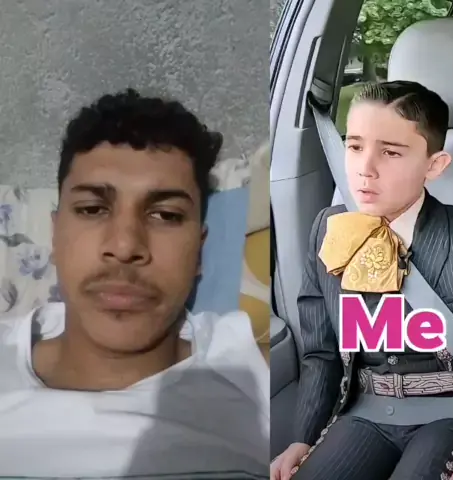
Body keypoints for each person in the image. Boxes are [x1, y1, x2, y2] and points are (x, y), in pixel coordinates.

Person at [270, 81, 453, 480]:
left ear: (434, 166)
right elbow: (321, 353)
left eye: (391, 152)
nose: (365, 168)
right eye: (354, 146)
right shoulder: (329, 230)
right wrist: (302, 437)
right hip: (365, 409)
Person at [0, 89, 269, 479]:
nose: (125, 246)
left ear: (199, 251)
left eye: (165, 215)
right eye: (93, 209)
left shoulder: (254, 380)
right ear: (55, 237)